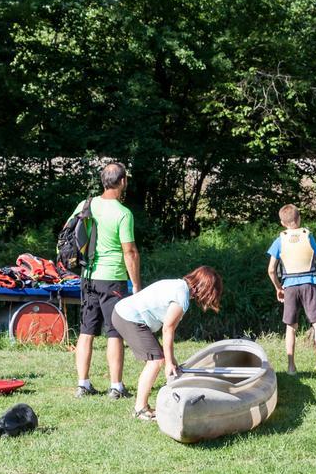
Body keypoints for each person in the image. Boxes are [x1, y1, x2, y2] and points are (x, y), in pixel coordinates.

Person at [69, 162, 142, 400]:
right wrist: (137, 285)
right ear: (123, 182)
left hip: (88, 276)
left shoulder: (85, 204)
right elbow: (129, 252)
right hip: (113, 279)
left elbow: (68, 232)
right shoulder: (123, 213)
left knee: (86, 331)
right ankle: (116, 387)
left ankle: (83, 384)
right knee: (114, 332)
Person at [111, 266, 223, 421]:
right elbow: (168, 329)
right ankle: (140, 409)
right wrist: (168, 362)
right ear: (204, 288)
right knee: (156, 361)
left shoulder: (178, 285)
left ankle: (142, 406)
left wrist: (172, 361)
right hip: (129, 317)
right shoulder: (182, 296)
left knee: (158, 359)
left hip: (124, 312)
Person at [266, 204, 316, 376]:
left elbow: (271, 270)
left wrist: (278, 288)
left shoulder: (279, 240)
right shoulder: (308, 235)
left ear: (282, 222)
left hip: (289, 286)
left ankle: (291, 367)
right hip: (309, 282)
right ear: (299, 219)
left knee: (291, 326)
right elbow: (314, 255)